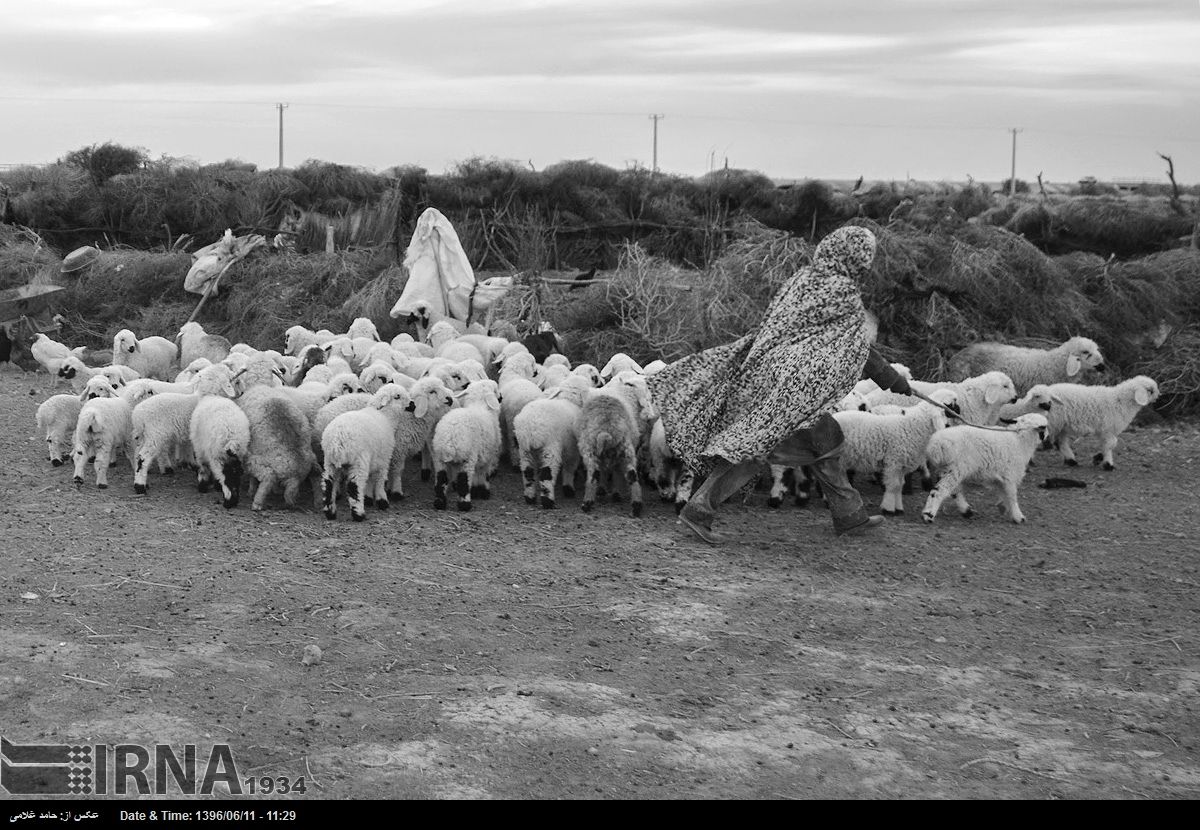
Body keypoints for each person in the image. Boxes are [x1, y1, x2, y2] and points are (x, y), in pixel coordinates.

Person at [646, 225, 913, 544]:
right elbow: (857, 346)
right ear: (854, 257)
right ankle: (698, 510)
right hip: (792, 390)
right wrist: (892, 379)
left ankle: (849, 513)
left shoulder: (805, 281)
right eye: (865, 256)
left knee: (826, 439)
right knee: (756, 449)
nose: (867, 263)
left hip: (774, 378)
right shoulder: (840, 291)